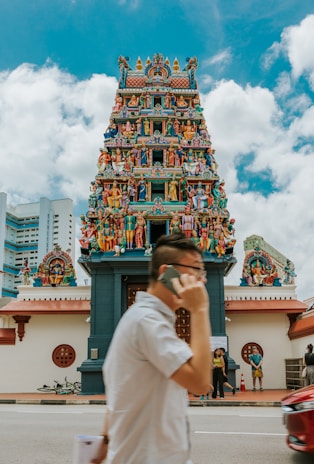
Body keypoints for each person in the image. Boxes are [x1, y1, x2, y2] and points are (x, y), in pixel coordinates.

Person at [91, 233, 212, 464]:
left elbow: (119, 394)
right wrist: (199, 310)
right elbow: (200, 382)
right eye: (196, 268)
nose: (202, 279)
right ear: (167, 272)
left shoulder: (139, 318)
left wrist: (104, 442)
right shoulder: (147, 322)